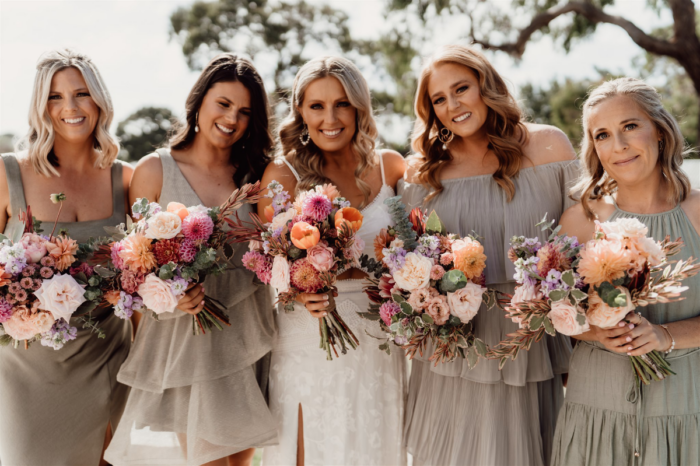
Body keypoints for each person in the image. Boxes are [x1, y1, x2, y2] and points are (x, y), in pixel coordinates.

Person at [399, 44, 579, 466]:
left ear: (487, 85)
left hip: (529, 338)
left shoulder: (549, 146)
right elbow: (411, 261)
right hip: (454, 342)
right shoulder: (423, 171)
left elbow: (581, 243)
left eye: (461, 88)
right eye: (438, 99)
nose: (452, 105)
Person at [104, 53, 277, 466]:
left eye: (244, 112)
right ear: (199, 101)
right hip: (186, 344)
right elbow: (134, 266)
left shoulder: (256, 175)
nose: (232, 118)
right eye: (223, 104)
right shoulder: (154, 170)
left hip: (248, 334)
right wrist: (170, 295)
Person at [259, 56, 408, 466]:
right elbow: (269, 263)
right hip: (310, 329)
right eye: (316, 106)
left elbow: (415, 242)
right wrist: (296, 287)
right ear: (300, 112)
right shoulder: (282, 175)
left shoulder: (391, 166)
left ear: (359, 108)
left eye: (342, 104)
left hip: (379, 334)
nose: (330, 118)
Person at [552, 77, 700, 466]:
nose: (617, 146)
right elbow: (550, 312)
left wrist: (663, 335)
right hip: (595, 412)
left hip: (685, 409)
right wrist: (597, 329)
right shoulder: (579, 221)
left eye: (630, 126)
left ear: (661, 132)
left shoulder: (699, 214)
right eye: (602, 135)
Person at [0, 48, 132, 466]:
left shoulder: (126, 179)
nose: (71, 108)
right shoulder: (7, 174)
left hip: (107, 357)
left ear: (100, 101)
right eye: (56, 97)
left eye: (82, 94)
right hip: (26, 368)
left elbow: (145, 271)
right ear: (41, 107)